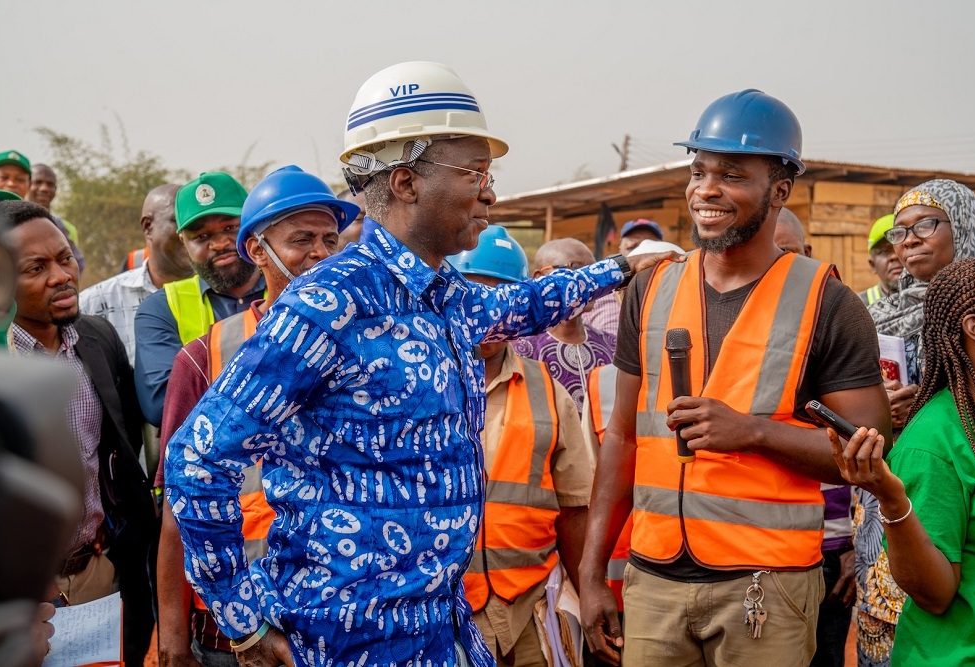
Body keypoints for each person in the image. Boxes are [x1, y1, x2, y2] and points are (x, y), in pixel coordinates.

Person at [165, 61, 673, 667]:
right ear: (406, 183)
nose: (489, 192)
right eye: (474, 173)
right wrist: (242, 620)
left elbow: (512, 305)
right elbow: (198, 457)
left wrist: (619, 268)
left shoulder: (439, 293)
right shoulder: (330, 304)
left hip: (442, 628)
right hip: (345, 640)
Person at [578, 89, 889, 667]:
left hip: (767, 588)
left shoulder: (828, 302)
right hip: (654, 584)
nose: (707, 189)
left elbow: (866, 451)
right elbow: (620, 436)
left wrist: (753, 432)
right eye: (698, 171)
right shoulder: (649, 291)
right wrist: (592, 572)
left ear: (779, 191)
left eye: (731, 174)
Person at [155, 166, 357, 667]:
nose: (321, 254)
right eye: (302, 239)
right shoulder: (205, 357)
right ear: (258, 252)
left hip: (350, 623)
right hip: (243, 632)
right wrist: (174, 645)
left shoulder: (370, 348)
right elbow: (175, 514)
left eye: (331, 239)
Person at [0, 199, 157, 667]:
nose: (61, 276)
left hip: (98, 572)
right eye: (37, 267)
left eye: (65, 257)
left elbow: (123, 449)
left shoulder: (97, 338)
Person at [854, 179, 975, 666]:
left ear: (967, 228)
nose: (908, 239)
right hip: (901, 488)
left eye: (926, 225)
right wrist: (883, 415)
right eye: (899, 231)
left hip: (970, 478)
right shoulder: (877, 316)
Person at [448, 226, 593, 666]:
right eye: (473, 295)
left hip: (530, 614)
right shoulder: (410, 383)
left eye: (502, 297)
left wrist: (589, 595)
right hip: (441, 619)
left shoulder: (546, 390)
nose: (488, 312)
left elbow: (574, 509)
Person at [774, 208, 856, 667]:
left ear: (807, 254)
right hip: (759, 548)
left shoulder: (835, 324)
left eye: (784, 251)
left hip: (828, 548)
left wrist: (846, 548)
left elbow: (849, 451)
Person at [133, 171, 265, 428]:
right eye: (202, 237)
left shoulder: (292, 288)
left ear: (253, 225)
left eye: (230, 228)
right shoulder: (160, 309)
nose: (219, 243)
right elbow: (164, 405)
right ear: (184, 243)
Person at [79, 184, 192, 365]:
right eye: (179, 221)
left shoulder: (224, 296)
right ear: (148, 226)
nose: (190, 234)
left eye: (196, 224)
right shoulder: (93, 304)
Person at [514, 238, 618, 412]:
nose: (588, 280)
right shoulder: (521, 349)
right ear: (540, 277)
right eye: (575, 268)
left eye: (593, 271)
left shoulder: (612, 346)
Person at [0, 152, 84, 274]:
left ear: (28, 184)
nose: (12, 183)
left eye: (20, 179)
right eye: (4, 177)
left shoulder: (57, 225)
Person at [860, 215, 902, 307]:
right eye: (884, 251)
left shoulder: (932, 298)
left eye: (900, 247)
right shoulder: (859, 306)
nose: (894, 256)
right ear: (873, 265)